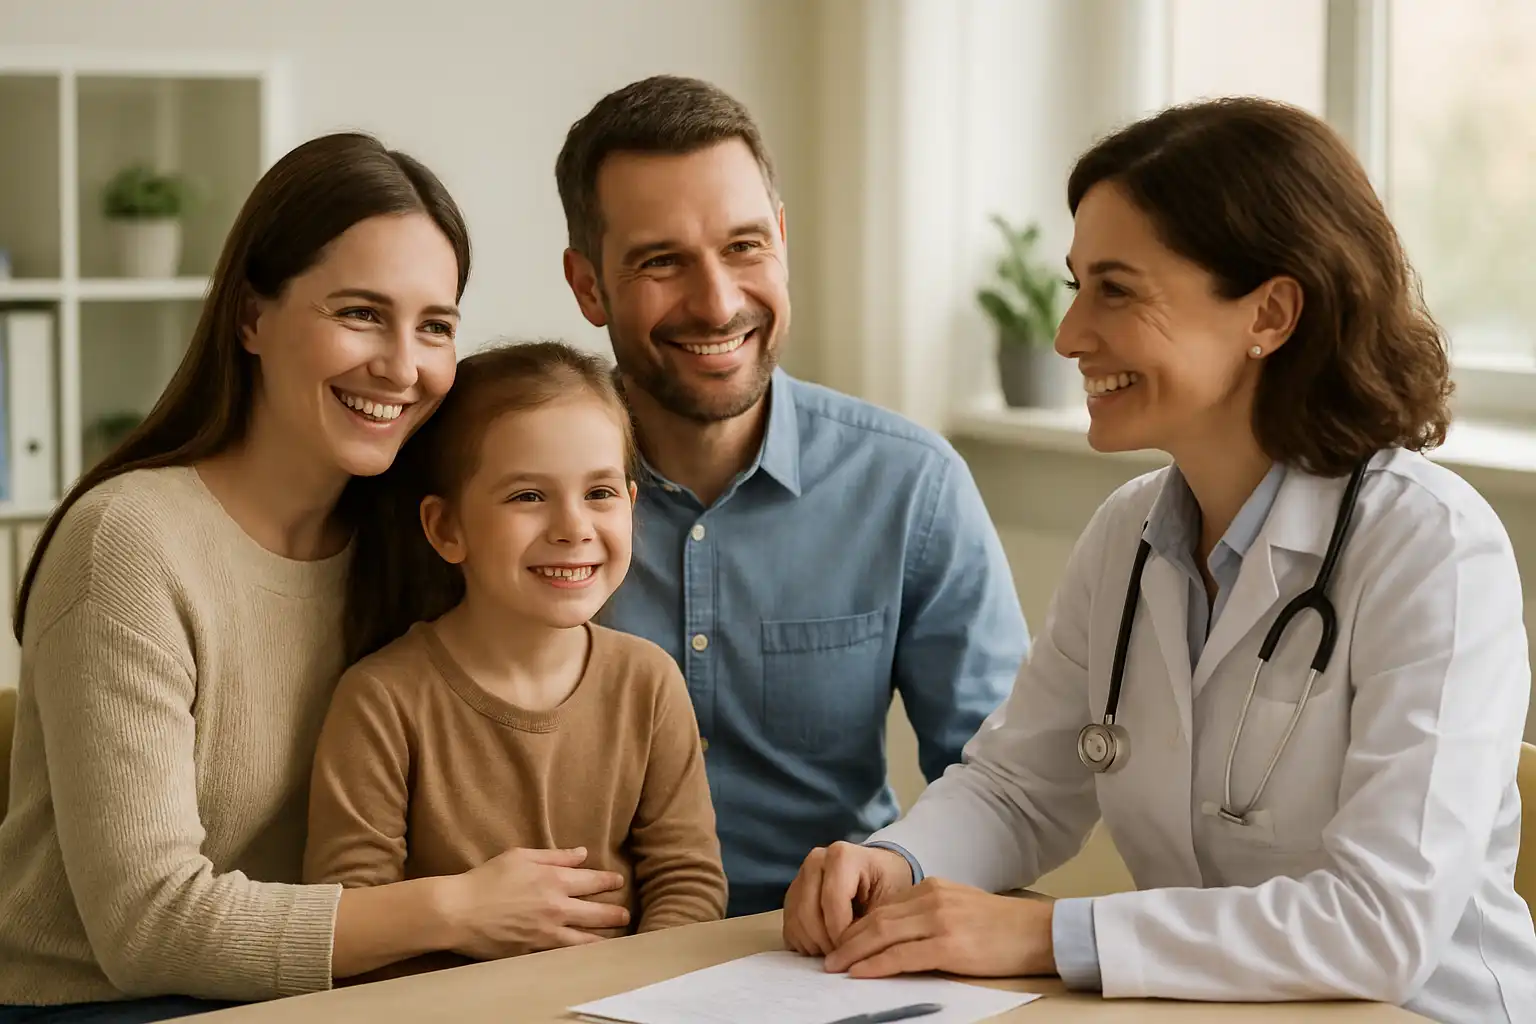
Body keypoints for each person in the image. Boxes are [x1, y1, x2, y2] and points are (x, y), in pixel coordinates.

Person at [782, 97, 1536, 1024]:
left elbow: (1378, 926)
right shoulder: (1129, 536)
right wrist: (897, 861)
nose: (1068, 337)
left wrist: (1047, 935)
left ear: (1270, 312)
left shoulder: (1431, 547)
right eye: (1074, 286)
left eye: (1116, 289)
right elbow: (1021, 788)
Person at [0, 135, 610, 1024]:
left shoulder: (417, 537)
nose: (403, 366)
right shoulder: (129, 544)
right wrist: (455, 908)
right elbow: (145, 926)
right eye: (361, 313)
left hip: (332, 996)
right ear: (252, 318)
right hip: (103, 1006)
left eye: (435, 324)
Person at [554, 75, 1029, 918]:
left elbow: (1005, 781)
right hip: (578, 956)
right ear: (588, 286)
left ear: (781, 237)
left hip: (828, 956)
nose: (718, 302)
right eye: (661, 261)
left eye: (743, 247)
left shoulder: (910, 487)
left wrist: (901, 866)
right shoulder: (512, 499)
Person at [302, 340, 727, 978]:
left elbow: (688, 882)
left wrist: (634, 992)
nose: (572, 526)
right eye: (528, 496)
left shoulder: (650, 682)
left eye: (601, 493)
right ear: (447, 529)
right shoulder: (381, 699)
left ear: (632, 507)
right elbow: (353, 912)